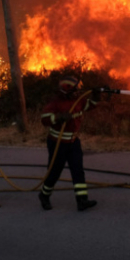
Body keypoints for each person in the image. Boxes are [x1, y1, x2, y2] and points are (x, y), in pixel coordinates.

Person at [38, 75, 102, 211]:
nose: (78, 93)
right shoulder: (55, 103)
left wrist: (97, 96)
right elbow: (44, 119)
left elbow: (89, 105)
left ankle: (82, 200)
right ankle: (44, 195)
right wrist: (59, 117)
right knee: (54, 172)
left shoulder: (78, 100)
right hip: (57, 143)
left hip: (73, 142)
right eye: (75, 90)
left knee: (78, 170)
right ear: (66, 91)